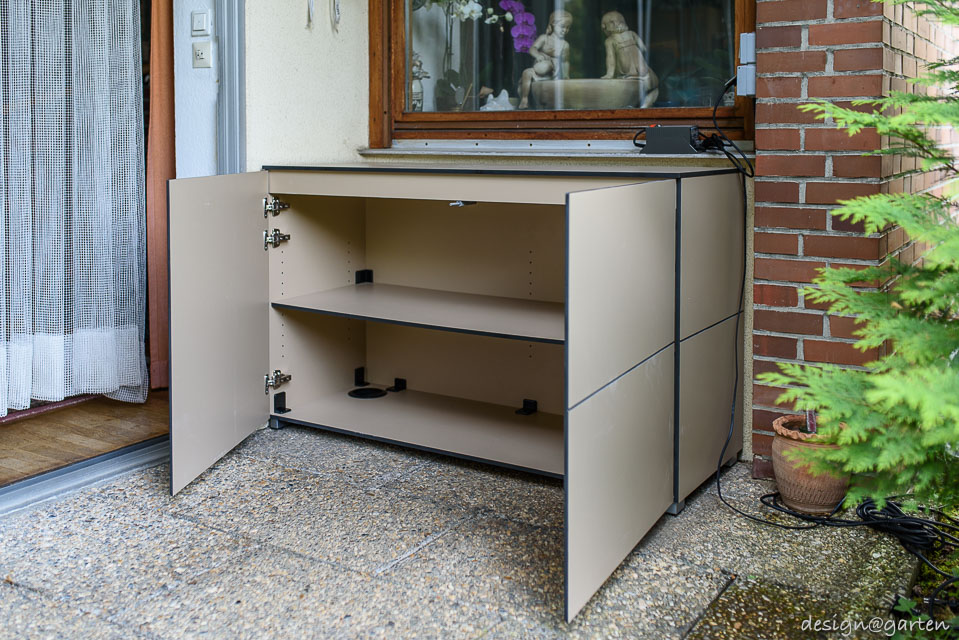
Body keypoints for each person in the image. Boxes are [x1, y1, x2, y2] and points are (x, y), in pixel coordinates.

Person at [600, 10, 659, 107]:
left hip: (627, 71)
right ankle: (644, 105)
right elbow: (643, 48)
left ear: (605, 27)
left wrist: (609, 74)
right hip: (641, 68)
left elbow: (611, 60)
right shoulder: (631, 34)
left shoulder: (610, 40)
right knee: (653, 86)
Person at [517, 10, 572, 109]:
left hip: (552, 71)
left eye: (568, 28)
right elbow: (532, 49)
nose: (565, 30)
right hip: (538, 68)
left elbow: (565, 61)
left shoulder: (565, 45)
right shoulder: (544, 38)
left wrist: (566, 75)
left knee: (546, 66)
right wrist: (538, 55)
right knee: (526, 72)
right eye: (562, 26)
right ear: (553, 24)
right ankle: (524, 99)